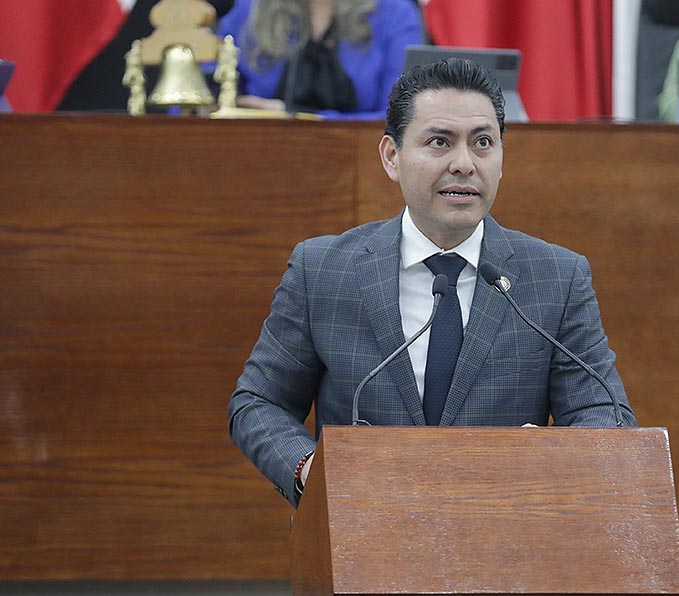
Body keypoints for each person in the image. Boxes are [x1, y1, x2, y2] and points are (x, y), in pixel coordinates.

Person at [228, 57, 638, 507]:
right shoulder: (323, 270)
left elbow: (606, 414)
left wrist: (549, 458)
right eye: (440, 142)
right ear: (392, 156)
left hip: (506, 527)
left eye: (483, 143)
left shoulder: (556, 277)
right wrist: (311, 470)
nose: (464, 164)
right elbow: (259, 402)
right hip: (363, 525)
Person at [215, 0, 422, 118]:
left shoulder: (396, 14)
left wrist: (297, 116)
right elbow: (212, 83)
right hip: (259, 150)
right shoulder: (250, 9)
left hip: (360, 158)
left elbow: (400, 117)